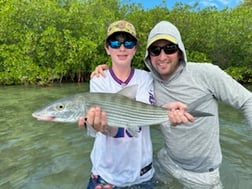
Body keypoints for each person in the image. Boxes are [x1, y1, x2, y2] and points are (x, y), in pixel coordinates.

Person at [89, 20, 252, 189]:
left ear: (180, 50)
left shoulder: (207, 73)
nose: (162, 56)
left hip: (202, 174)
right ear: (148, 55)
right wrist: (102, 70)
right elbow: (123, 104)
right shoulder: (150, 80)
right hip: (165, 163)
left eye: (169, 48)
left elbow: (247, 100)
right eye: (155, 50)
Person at [79, 20, 194, 189]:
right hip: (106, 177)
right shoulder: (98, 79)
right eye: (115, 43)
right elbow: (103, 128)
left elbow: (168, 86)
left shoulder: (148, 78)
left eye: (128, 43)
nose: (122, 48)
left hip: (143, 175)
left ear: (135, 48)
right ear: (107, 48)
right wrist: (98, 126)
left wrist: (171, 112)